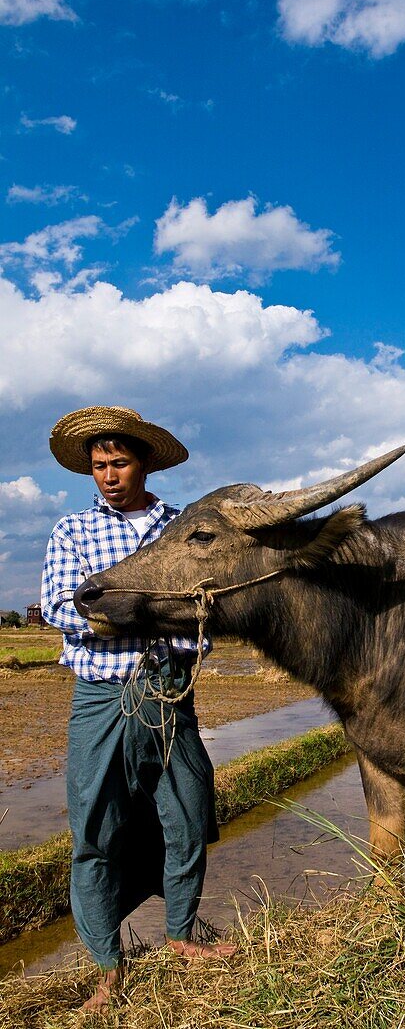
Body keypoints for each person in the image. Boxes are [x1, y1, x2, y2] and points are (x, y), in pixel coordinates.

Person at [41, 406, 235, 1012]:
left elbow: (207, 610)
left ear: (145, 463)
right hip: (101, 700)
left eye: (120, 462)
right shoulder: (72, 532)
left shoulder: (185, 529)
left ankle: (179, 936)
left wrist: (123, 608)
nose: (108, 475)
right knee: (94, 831)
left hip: (169, 694)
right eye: (98, 465)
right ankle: (108, 967)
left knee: (188, 816)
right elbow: (57, 607)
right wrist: (142, 611)